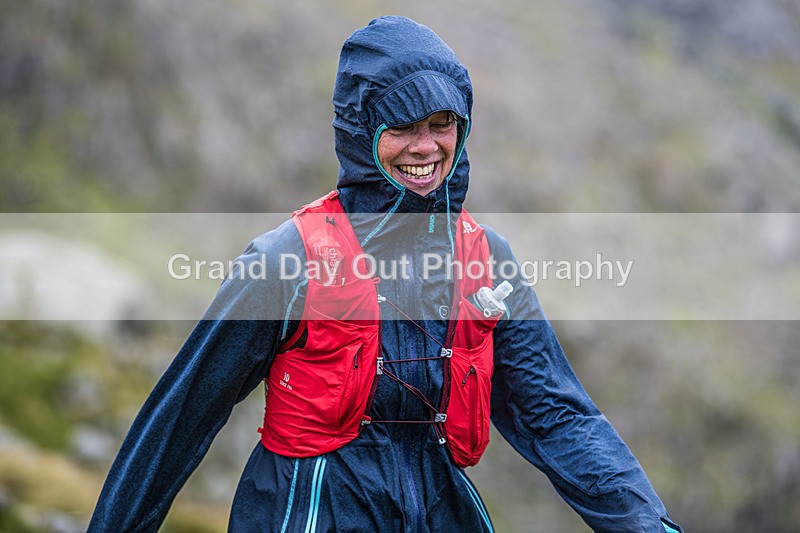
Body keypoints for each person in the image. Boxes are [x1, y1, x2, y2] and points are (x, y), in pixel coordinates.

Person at [89, 16, 683, 533]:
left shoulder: (487, 261)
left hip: (441, 512)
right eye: (401, 127)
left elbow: (556, 416)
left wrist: (646, 524)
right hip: (309, 512)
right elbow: (182, 415)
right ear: (361, 130)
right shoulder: (285, 260)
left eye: (442, 123)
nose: (425, 148)